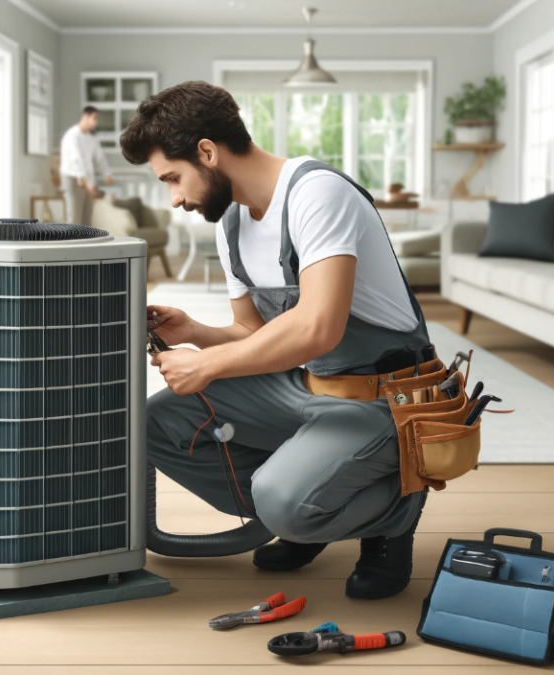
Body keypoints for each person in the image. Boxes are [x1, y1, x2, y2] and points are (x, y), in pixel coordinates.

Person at [120, 81, 432, 600]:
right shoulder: (231, 220)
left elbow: (317, 327)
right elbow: (254, 336)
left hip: (384, 398)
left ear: (207, 152)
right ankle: (315, 505)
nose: (174, 198)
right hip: (304, 385)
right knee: (158, 424)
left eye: (173, 178)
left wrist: (210, 366)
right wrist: (196, 333)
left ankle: (389, 517)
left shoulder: (318, 194)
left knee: (280, 499)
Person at [59, 106, 113, 225]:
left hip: (86, 181)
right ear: (85, 117)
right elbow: (77, 160)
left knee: (86, 220)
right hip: (73, 180)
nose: (96, 122)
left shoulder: (91, 138)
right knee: (74, 219)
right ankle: (71, 243)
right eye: (94, 118)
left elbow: (100, 157)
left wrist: (107, 173)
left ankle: (85, 243)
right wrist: (89, 185)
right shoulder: (72, 136)